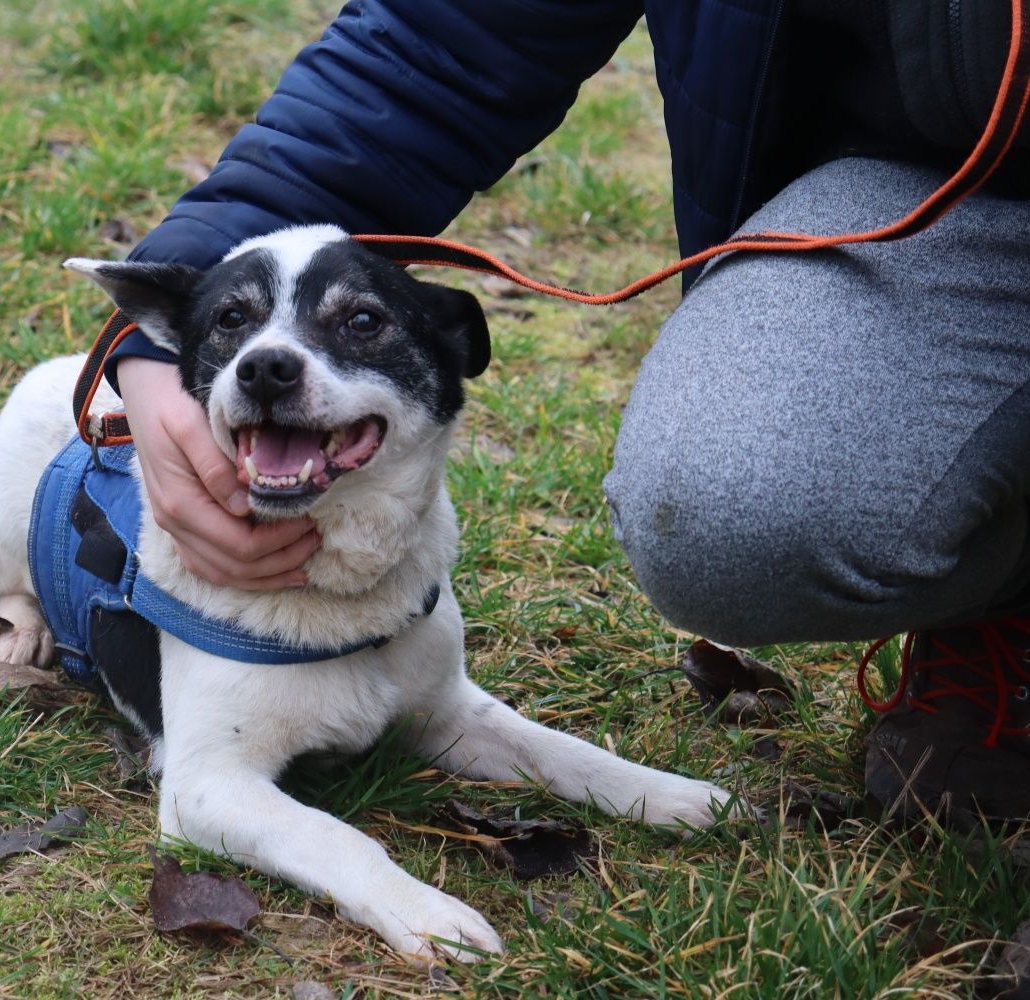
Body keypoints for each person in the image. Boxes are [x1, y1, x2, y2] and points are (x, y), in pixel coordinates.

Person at [106, 1, 1030, 823]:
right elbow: (438, 44)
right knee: (727, 506)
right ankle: (1008, 600)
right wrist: (162, 333)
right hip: (914, 197)